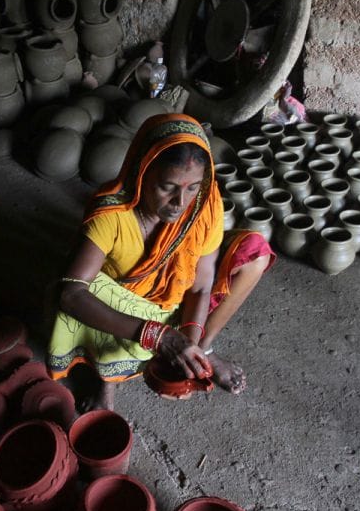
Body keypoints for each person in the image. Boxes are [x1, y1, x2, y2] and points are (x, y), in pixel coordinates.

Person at [47, 113, 275, 410]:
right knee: (82, 288)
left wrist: (188, 347)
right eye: (168, 186)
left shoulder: (203, 206)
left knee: (253, 252)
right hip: (127, 305)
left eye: (192, 187)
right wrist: (157, 336)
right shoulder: (112, 216)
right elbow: (71, 294)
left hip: (178, 300)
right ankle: (107, 381)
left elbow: (201, 286)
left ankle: (203, 350)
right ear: (143, 172)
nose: (180, 202)